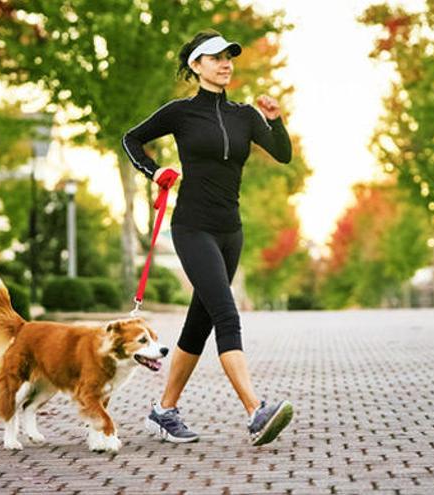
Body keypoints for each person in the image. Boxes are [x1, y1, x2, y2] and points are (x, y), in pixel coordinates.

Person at [121, 29, 294, 446]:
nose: (225, 63)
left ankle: (164, 411)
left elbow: (283, 153)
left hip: (230, 232)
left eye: (229, 56)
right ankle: (256, 411)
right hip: (192, 228)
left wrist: (276, 119)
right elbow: (132, 139)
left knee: (199, 324)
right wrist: (155, 171)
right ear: (196, 66)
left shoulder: (245, 115)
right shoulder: (180, 113)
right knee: (226, 315)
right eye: (215, 57)